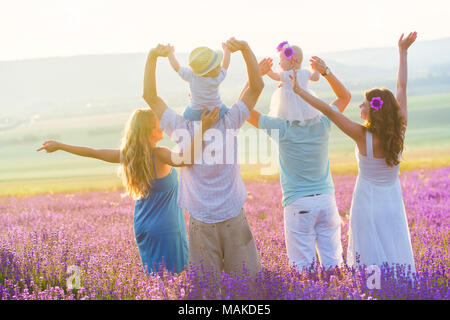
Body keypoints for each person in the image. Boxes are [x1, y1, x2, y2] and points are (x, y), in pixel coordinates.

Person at [37, 107, 220, 274]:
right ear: (149, 131)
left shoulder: (128, 156)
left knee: (157, 283)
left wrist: (60, 146)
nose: (163, 127)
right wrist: (204, 128)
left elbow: (93, 152)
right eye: (159, 125)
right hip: (167, 228)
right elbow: (187, 159)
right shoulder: (159, 154)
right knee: (176, 281)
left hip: (142, 226)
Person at [290, 32, 417, 272]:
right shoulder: (399, 130)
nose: (359, 106)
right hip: (391, 201)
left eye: (363, 103)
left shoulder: (362, 136)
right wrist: (402, 52)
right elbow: (401, 87)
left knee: (368, 250)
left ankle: (373, 289)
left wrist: (299, 90)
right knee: (393, 243)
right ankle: (400, 288)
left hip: (367, 201)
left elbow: (329, 111)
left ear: (373, 111)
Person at [142, 38, 264, 278]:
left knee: (206, 291)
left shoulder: (180, 127)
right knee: (248, 288)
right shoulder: (230, 121)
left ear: (191, 95)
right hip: (233, 215)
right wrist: (246, 49)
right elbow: (256, 87)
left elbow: (150, 96)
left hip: (201, 221)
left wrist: (153, 56)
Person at [245, 55, 351, 271]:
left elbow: (243, 110)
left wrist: (254, 76)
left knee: (303, 270)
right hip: (326, 201)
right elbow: (344, 97)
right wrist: (326, 72)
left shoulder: (280, 128)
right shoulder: (324, 122)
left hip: (297, 204)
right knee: (335, 267)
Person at [167, 44, 231, 120]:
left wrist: (170, 54)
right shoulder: (217, 77)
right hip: (217, 110)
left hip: (195, 112)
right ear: (207, 72)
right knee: (228, 113)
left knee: (185, 115)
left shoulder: (191, 75)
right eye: (217, 67)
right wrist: (227, 50)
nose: (220, 67)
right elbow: (225, 65)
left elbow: (176, 67)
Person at [265, 41, 321, 124]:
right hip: (305, 99)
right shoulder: (306, 72)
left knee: (287, 116)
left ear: (294, 60)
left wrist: (267, 70)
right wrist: (316, 69)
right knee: (304, 115)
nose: (279, 63)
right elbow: (315, 78)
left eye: (282, 60)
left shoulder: (287, 74)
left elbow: (275, 76)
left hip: (288, 104)